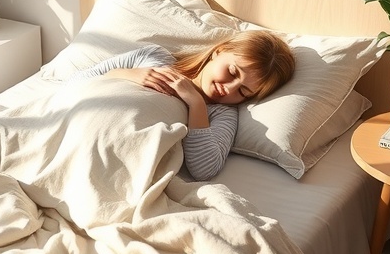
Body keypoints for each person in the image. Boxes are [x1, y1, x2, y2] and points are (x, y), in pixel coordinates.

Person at [68, 30, 295, 181]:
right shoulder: (154, 58)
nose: (229, 88)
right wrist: (128, 75)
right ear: (219, 51)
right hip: (77, 131)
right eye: (232, 72)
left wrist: (195, 104)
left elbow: (205, 169)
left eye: (244, 91)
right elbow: (73, 84)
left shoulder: (222, 113)